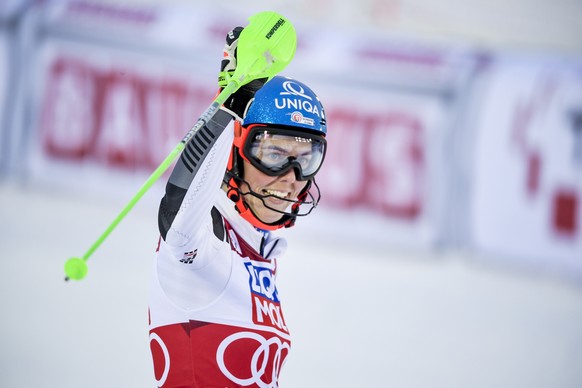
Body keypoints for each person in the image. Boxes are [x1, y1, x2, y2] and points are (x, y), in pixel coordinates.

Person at [148, 26, 327, 387]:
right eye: (273, 154)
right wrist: (229, 102)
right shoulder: (203, 245)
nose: (291, 177)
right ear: (236, 154)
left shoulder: (260, 253)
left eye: (306, 159)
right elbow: (177, 217)